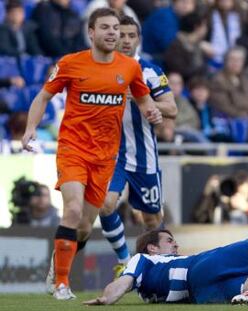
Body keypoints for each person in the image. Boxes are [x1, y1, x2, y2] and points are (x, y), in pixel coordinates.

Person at [21, 8, 164, 300]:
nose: (113, 33)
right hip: (73, 149)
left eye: (116, 28)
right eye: (106, 28)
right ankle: (62, 283)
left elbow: (144, 99)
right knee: (72, 210)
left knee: (84, 226)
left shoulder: (129, 68)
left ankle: (56, 268)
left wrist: (151, 111)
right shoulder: (71, 63)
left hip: (105, 157)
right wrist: (30, 128)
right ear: (91, 33)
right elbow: (44, 96)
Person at [98, 15, 177, 275]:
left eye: (132, 36)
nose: (126, 41)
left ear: (138, 39)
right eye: (122, 35)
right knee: (105, 204)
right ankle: (124, 259)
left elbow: (172, 108)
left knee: (152, 220)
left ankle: (163, 268)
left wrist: (143, 100)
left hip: (144, 156)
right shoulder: (98, 69)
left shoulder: (151, 71)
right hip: (111, 154)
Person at [83, 229, 248, 305]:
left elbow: (126, 285)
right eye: (169, 240)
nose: (175, 244)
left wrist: (108, 298)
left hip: (201, 295)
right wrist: (107, 297)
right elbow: (122, 282)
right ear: (152, 248)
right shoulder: (141, 259)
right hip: (199, 267)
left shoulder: (146, 284)